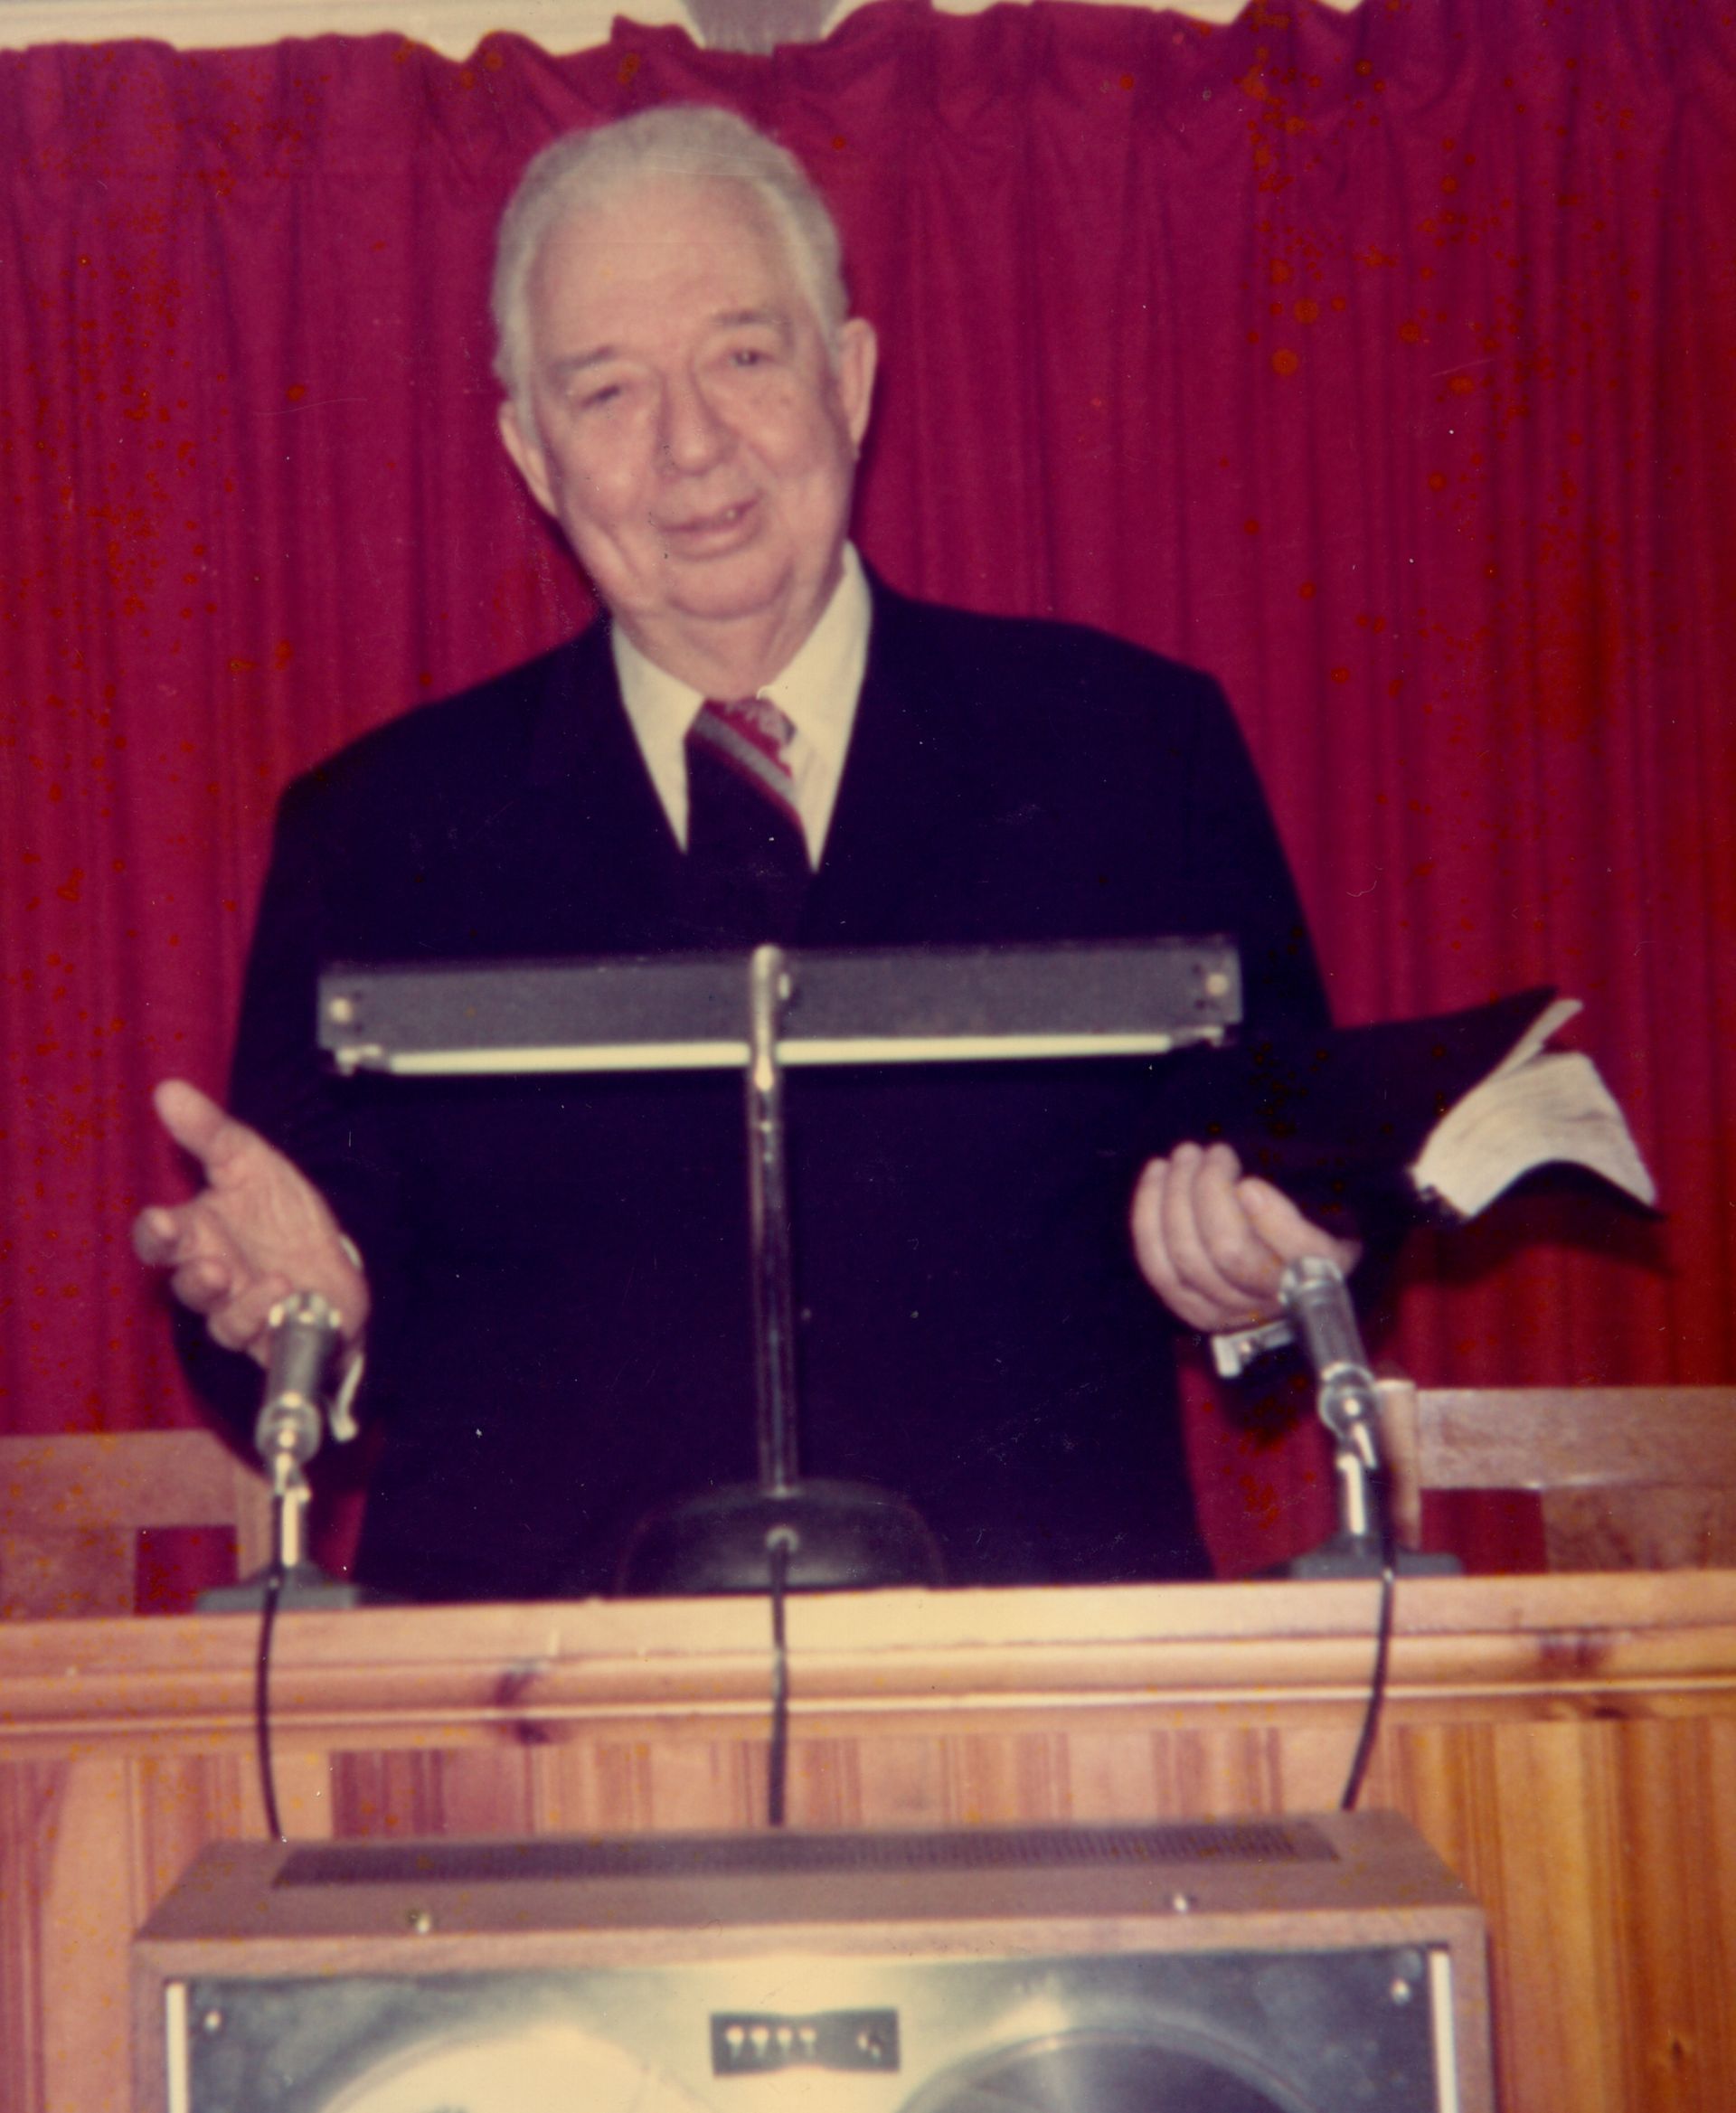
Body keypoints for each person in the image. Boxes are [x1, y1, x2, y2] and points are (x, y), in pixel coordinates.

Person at [135, 108, 1356, 1602]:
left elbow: (1302, 1170)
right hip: (528, 1733)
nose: (691, 444)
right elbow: (299, 1271)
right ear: (531, 452)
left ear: (847, 379)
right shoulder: (381, 829)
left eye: (744, 357)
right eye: (608, 391)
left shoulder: (1128, 749)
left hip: (1041, 1701)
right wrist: (281, 1312)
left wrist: (1253, 1265)